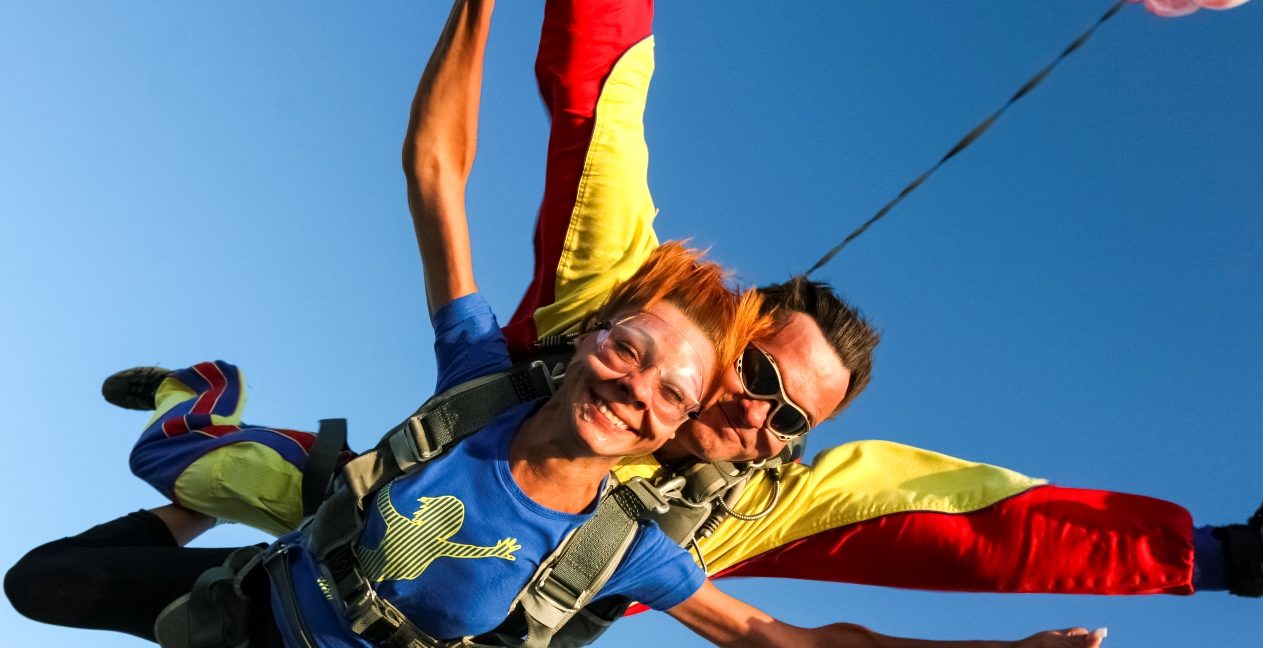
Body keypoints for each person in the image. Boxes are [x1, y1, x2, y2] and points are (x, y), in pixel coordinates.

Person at [6, 2, 1109, 646]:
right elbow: (442, 172)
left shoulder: (647, 542)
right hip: (290, 564)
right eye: (631, 351)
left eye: (782, 420)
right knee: (92, 534)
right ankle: (202, 388)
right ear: (588, 341)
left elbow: (785, 636)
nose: (643, 387)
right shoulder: (489, 373)